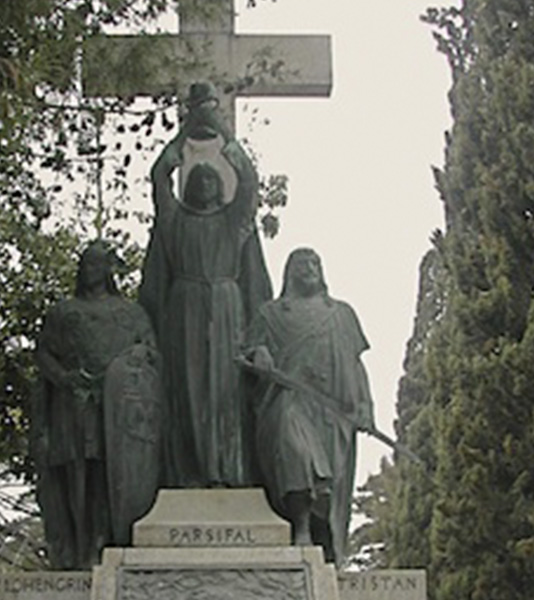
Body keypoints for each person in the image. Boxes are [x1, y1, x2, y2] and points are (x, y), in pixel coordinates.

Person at [139, 82, 272, 488]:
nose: (205, 184)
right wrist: (186, 131)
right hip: (184, 309)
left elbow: (249, 184)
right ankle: (189, 473)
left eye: (212, 182)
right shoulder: (175, 223)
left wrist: (222, 131)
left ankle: (227, 472)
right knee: (188, 391)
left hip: (227, 306)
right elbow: (159, 177)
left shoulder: (233, 225)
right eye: (198, 181)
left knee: (226, 391)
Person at [244, 248, 375, 563]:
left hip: (332, 409)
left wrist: (366, 407)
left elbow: (356, 365)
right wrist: (259, 352)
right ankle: (299, 527)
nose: (310, 268)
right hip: (290, 399)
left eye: (315, 262)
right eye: (302, 263)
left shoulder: (341, 314)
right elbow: (249, 349)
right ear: (289, 272)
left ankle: (323, 537)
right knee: (296, 451)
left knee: (328, 481)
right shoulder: (271, 314)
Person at [33, 241, 157, 569]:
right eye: (87, 265)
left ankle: (103, 541)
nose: (92, 271)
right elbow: (44, 354)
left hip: (117, 411)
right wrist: (64, 378)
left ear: (108, 271)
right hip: (74, 405)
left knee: (107, 473)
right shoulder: (64, 312)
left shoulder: (131, 313)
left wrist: (141, 355)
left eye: (99, 265)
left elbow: (151, 352)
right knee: (77, 474)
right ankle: (79, 541)